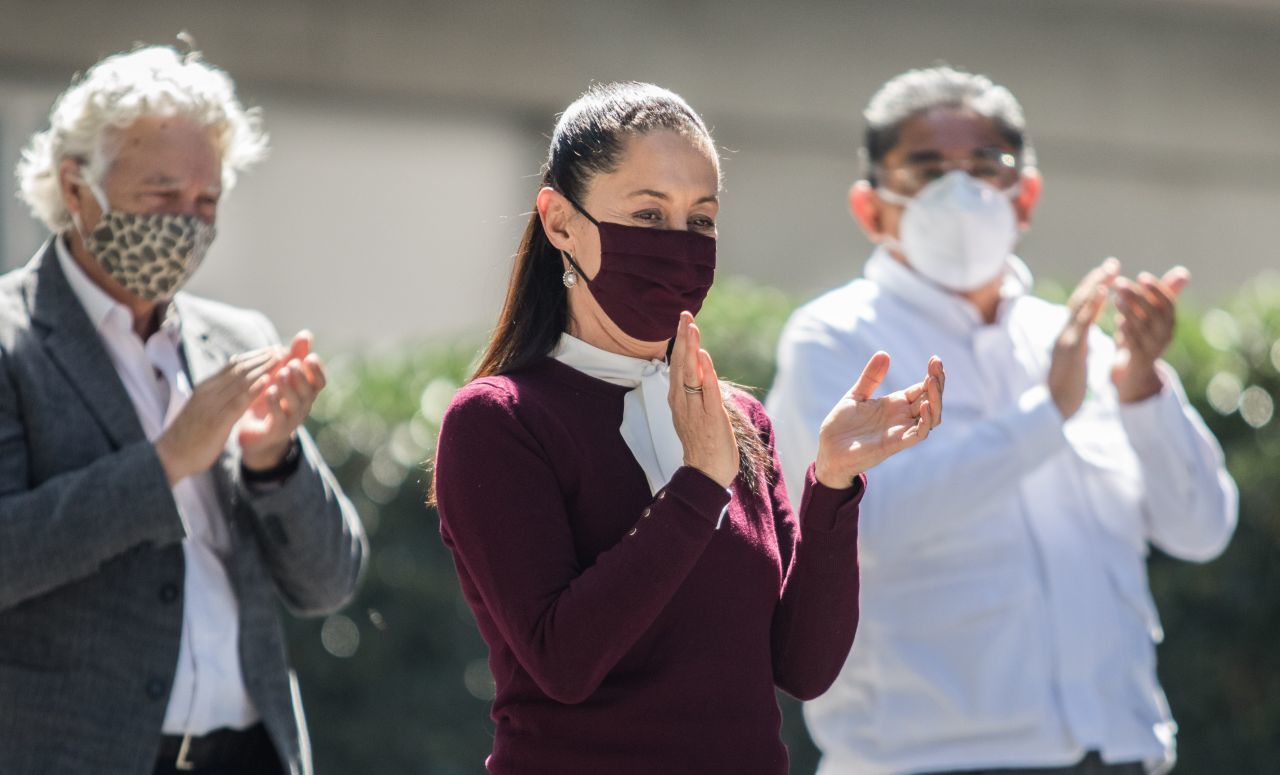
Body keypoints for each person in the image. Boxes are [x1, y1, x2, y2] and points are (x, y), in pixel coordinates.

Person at [431, 81, 945, 774]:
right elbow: (563, 661)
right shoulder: (498, 421)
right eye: (648, 214)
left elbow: (802, 667)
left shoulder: (740, 420)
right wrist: (698, 483)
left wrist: (832, 484)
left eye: (700, 220)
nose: (677, 245)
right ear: (560, 223)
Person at [767, 66, 1239, 775]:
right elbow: (863, 528)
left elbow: (1200, 529)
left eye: (987, 167)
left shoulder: (1077, 344)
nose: (960, 193)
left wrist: (1142, 387)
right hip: (927, 762)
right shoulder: (835, 340)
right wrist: (1045, 414)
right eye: (928, 170)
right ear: (870, 208)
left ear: (1026, 197)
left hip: (1122, 751)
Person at [0, 45, 366, 775]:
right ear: (76, 188)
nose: (186, 223)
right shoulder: (13, 339)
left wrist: (273, 463)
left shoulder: (238, 340)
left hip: (252, 751)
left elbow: (330, 581)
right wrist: (165, 463)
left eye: (205, 202)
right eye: (162, 195)